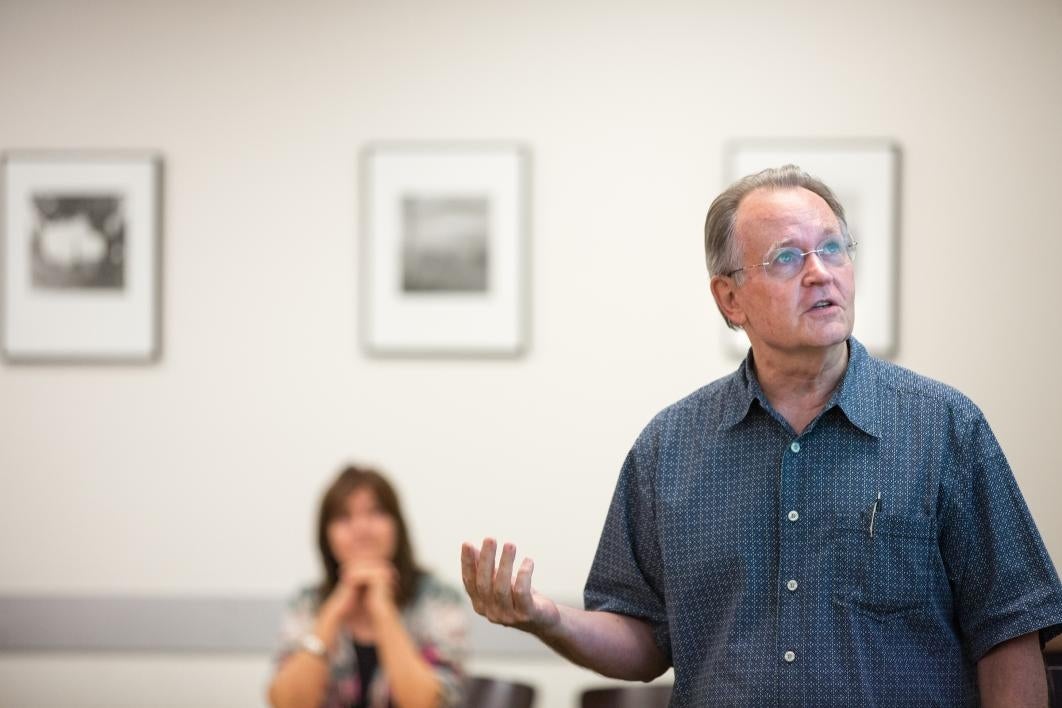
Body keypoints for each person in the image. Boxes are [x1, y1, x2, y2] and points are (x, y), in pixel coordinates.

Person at [460, 165, 1062, 706]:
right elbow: (643, 638)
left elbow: (1008, 631)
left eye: (833, 249)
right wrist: (544, 618)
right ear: (730, 298)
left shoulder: (945, 429)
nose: (820, 273)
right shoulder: (668, 449)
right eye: (787, 258)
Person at [271, 464, 467, 708]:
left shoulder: (438, 599)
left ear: (397, 526)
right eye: (344, 517)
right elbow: (286, 703)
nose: (361, 529)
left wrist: (382, 609)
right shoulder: (307, 603)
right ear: (326, 535)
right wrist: (334, 610)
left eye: (375, 513)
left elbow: (428, 703)